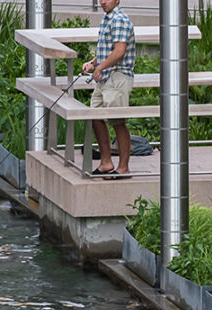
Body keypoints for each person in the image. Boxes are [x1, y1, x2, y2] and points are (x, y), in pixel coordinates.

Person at [82, 0, 137, 177]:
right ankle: (105, 162)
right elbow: (108, 50)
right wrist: (93, 63)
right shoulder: (107, 18)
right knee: (94, 116)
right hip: (105, 77)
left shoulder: (119, 19)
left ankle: (123, 168)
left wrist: (100, 68)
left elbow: (120, 51)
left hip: (118, 76)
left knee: (118, 122)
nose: (103, 1)